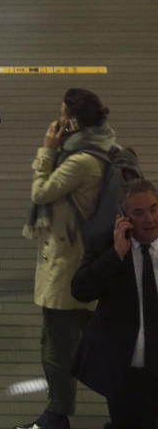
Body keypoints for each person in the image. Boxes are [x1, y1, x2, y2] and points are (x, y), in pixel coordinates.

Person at [15, 89, 114, 429]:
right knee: (102, 341)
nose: (57, 120)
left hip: (67, 263)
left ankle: (56, 415)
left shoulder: (79, 161)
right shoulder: (105, 147)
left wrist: (47, 150)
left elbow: (41, 192)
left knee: (56, 347)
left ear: (72, 121)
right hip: (90, 260)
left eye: (61, 115)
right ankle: (125, 406)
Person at [72, 179, 158, 428]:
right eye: (139, 212)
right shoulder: (106, 245)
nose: (149, 219)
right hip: (123, 370)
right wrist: (116, 255)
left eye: (153, 208)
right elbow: (81, 290)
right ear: (124, 217)